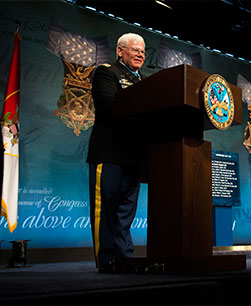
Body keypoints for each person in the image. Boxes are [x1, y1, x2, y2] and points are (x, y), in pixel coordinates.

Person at [87, 33, 146, 273]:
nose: (140, 54)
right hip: (109, 152)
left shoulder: (146, 81)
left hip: (134, 156)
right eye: (135, 50)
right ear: (120, 51)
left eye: (143, 51)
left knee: (125, 214)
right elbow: (107, 106)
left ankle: (125, 257)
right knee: (106, 211)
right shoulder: (107, 72)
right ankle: (107, 259)